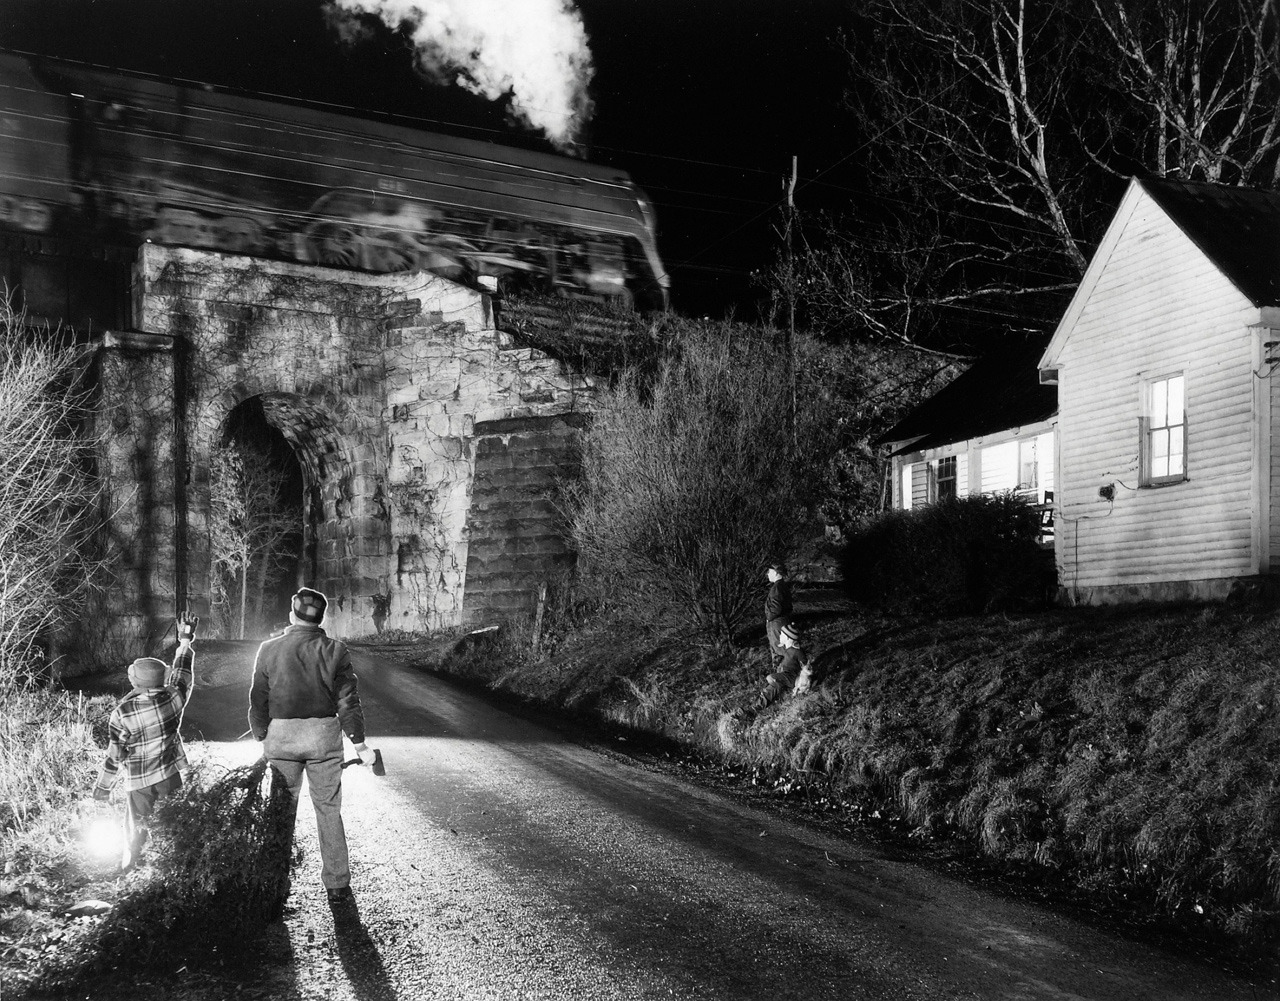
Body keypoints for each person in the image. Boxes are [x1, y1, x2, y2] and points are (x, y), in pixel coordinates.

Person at [249, 587, 375, 903]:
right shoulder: (336, 650)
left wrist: (261, 732)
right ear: (321, 618)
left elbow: (258, 697)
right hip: (323, 739)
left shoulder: (268, 648)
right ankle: (337, 885)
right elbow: (348, 701)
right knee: (328, 809)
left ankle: (273, 882)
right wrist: (359, 744)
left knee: (280, 810)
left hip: (282, 738)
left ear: (292, 614)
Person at [93, 612, 200, 870]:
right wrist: (185, 640)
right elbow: (182, 673)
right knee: (173, 825)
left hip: (138, 782)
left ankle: (135, 867)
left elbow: (114, 756)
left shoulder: (123, 713)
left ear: (135, 681)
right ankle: (174, 865)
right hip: (169, 775)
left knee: (137, 827)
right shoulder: (173, 699)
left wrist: (103, 787)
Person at [753, 621, 814, 712]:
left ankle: (760, 705)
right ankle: (759, 705)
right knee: (775, 684)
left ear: (788, 638)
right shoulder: (787, 650)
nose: (780, 636)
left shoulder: (797, 652)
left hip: (791, 678)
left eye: (782, 635)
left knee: (771, 678)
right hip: (786, 675)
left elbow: (806, 668)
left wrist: (801, 683)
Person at [764, 563, 793, 668]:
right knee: (785, 648)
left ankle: (783, 676)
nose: (767, 574)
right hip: (783, 621)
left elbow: (776, 608)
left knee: (779, 651)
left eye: (769, 571)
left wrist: (769, 617)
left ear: (776, 573)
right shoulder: (783, 586)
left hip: (777, 623)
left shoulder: (776, 588)